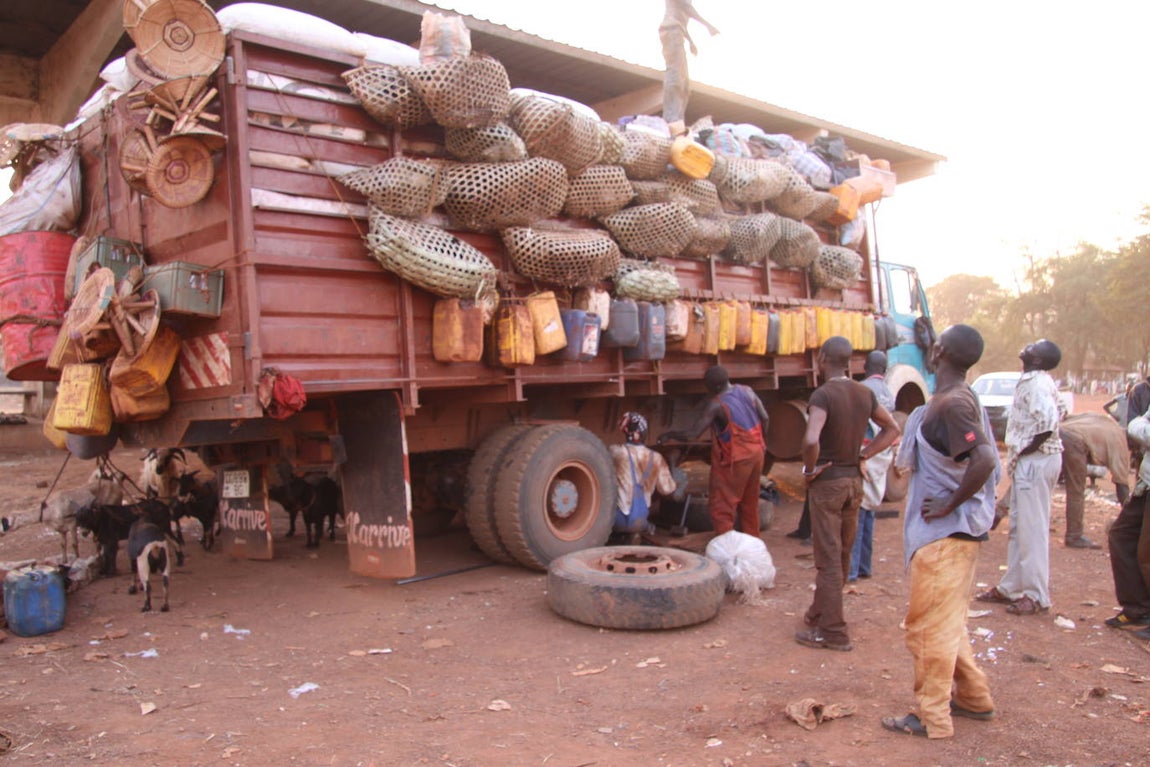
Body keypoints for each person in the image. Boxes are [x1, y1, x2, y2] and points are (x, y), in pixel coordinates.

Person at [881, 324, 999, 739]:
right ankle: (973, 697)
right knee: (947, 623)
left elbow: (982, 458)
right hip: (954, 537)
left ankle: (932, 717)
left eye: (935, 344)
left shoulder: (951, 406)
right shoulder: (957, 398)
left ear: (940, 352)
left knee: (927, 629)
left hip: (943, 536)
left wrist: (950, 504)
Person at [796, 337, 899, 651]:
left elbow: (812, 439)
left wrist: (810, 469)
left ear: (823, 359)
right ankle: (818, 613)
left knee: (827, 559)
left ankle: (834, 632)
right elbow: (893, 429)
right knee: (841, 555)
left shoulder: (823, 395)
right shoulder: (864, 392)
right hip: (855, 482)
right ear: (851, 361)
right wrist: (864, 456)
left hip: (828, 484)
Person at [976, 339, 1064, 616]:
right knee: (1019, 528)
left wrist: (1024, 451)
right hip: (1035, 460)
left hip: (1035, 461)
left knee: (1032, 531)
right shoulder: (1037, 381)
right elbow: (1061, 410)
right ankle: (1011, 586)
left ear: (1037, 360)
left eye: (1033, 347)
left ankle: (1037, 596)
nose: (1027, 347)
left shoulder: (1036, 383)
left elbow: (1049, 423)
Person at [658, 365, 769, 536]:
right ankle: (753, 544)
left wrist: (670, 435)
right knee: (749, 503)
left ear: (716, 387)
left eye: (708, 387)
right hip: (757, 452)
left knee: (722, 506)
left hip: (736, 458)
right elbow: (765, 417)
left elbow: (693, 434)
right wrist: (762, 442)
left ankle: (726, 547)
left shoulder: (717, 404)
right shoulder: (747, 391)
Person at [849, 350, 897, 581]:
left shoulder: (861, 389)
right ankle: (864, 566)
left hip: (865, 453)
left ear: (865, 366)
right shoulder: (888, 392)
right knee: (868, 510)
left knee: (856, 511)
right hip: (882, 453)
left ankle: (851, 569)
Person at [1105, 406, 1150, 633]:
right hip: (1146, 481)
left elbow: (1140, 428)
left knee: (1146, 552)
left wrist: (1140, 427)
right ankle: (1137, 608)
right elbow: (1137, 425)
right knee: (1121, 535)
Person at [1059, 412, 1131, 549]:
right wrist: (1131, 519)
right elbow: (1122, 487)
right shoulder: (1120, 443)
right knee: (1076, 490)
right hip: (1074, 441)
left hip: (1058, 431)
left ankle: (1004, 508)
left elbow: (1068, 417)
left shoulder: (1109, 422)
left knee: (1035, 477)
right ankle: (1074, 535)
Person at [608, 412, 677, 542]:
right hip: (641, 520)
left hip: (617, 520)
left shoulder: (615, 452)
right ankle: (639, 532)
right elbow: (668, 489)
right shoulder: (656, 458)